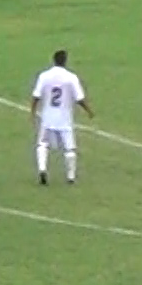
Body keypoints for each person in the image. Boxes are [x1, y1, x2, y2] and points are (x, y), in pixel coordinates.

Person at [30, 50, 94, 185]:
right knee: (69, 148)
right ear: (65, 61)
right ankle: (70, 177)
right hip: (64, 119)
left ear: (53, 60)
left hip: (47, 118)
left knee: (42, 144)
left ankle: (42, 169)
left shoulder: (44, 76)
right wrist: (89, 111)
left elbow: (36, 96)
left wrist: (32, 112)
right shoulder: (71, 77)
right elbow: (79, 98)